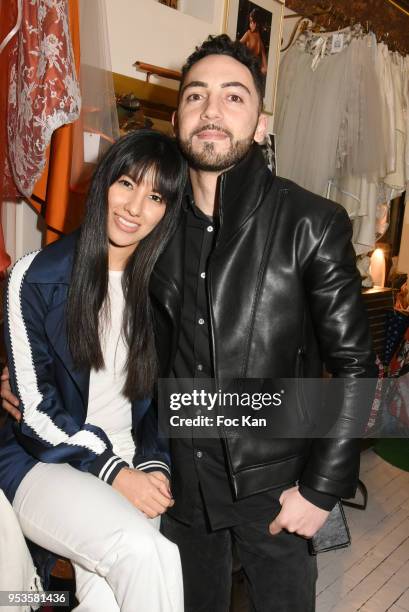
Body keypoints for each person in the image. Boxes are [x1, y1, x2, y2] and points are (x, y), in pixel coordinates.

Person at [2, 35, 377, 612]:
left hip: (274, 488)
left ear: (260, 122)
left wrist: (322, 488)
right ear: (177, 119)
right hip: (178, 484)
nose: (212, 110)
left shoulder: (311, 222)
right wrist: (26, 384)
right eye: (198, 95)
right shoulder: (153, 230)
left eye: (234, 97)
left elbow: (356, 367)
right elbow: (105, 334)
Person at [0, 130, 186, 612]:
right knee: (146, 554)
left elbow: (162, 397)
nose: (134, 207)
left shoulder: (162, 290)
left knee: (109, 600)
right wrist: (116, 472)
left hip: (129, 460)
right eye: (126, 183)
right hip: (47, 461)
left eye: (155, 196)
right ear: (105, 182)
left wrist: (153, 463)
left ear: (168, 211)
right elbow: (36, 413)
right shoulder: (36, 276)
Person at [240, 8, 268, 76]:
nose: (250, 24)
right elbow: (236, 46)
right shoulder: (250, 35)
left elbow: (266, 69)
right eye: (250, 22)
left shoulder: (257, 39)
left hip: (250, 72)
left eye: (251, 21)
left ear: (256, 23)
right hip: (248, 71)